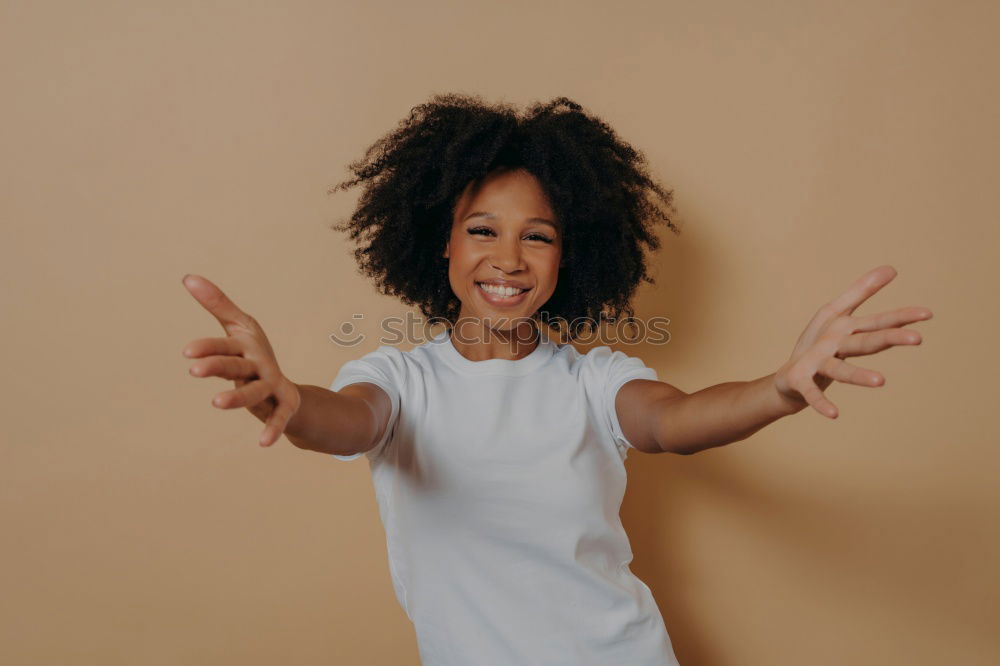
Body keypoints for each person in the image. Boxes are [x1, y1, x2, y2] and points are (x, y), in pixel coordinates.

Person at [181, 94, 934, 666]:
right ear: (440, 243)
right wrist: (287, 399)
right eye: (482, 230)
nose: (508, 259)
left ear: (568, 257)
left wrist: (779, 387)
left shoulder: (593, 380)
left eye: (536, 236)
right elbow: (347, 419)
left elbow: (674, 421)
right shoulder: (399, 380)